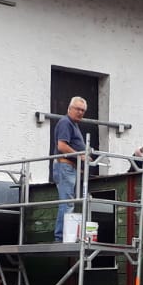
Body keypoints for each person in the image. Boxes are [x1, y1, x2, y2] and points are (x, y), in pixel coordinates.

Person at [52, 96, 88, 241]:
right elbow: (61, 146)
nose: (80, 112)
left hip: (69, 167)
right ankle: (61, 237)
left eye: (83, 110)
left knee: (68, 202)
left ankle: (64, 235)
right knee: (67, 203)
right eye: (78, 109)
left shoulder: (72, 124)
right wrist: (81, 156)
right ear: (69, 108)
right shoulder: (66, 122)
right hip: (65, 166)